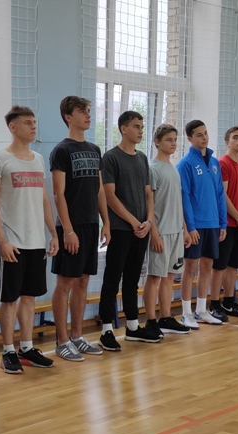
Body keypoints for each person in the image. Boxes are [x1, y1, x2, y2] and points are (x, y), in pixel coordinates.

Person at [0, 105, 59, 374]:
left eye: (33, 122)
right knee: (10, 299)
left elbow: (44, 199)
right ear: (13, 127)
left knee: (29, 298)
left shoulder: (38, 159)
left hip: (36, 242)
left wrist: (53, 233)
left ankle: (26, 348)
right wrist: (2, 241)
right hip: (13, 243)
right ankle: (8, 351)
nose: (33, 126)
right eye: (27, 122)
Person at [50, 96, 110, 359]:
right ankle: (61, 341)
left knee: (83, 280)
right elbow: (58, 194)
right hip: (70, 227)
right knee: (66, 281)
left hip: (90, 224)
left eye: (88, 111)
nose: (88, 115)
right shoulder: (61, 151)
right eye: (81, 111)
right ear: (68, 116)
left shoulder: (94, 149)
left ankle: (77, 336)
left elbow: (99, 190)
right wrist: (68, 230)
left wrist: (106, 222)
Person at [98, 111, 161, 345]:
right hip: (121, 229)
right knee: (112, 278)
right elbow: (109, 195)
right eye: (136, 126)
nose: (140, 131)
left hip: (141, 229)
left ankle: (133, 327)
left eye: (142, 127)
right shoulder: (111, 158)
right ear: (124, 129)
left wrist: (148, 222)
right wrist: (133, 222)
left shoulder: (142, 158)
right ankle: (106, 330)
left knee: (133, 279)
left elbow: (148, 193)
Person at [177, 120, 227, 328]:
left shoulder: (214, 163)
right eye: (199, 134)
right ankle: (186, 313)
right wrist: (190, 227)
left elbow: (219, 194)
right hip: (196, 225)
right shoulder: (185, 164)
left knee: (207, 266)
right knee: (190, 267)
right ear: (190, 138)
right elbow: (184, 197)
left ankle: (201, 310)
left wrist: (222, 223)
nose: (204, 137)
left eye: (205, 133)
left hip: (213, 223)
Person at [142, 124, 191, 334]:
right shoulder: (152, 168)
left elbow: (177, 202)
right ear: (157, 142)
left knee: (170, 276)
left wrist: (184, 229)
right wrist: (154, 233)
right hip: (160, 232)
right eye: (169, 139)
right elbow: (149, 204)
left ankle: (165, 317)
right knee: (154, 277)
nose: (173, 143)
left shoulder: (173, 168)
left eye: (175, 140)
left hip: (176, 231)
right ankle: (151, 320)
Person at [209, 126, 238, 320]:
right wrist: (237, 217)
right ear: (227, 142)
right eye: (235, 137)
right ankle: (214, 303)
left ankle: (229, 302)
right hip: (226, 224)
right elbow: (223, 196)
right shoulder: (222, 164)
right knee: (219, 265)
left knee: (234, 265)